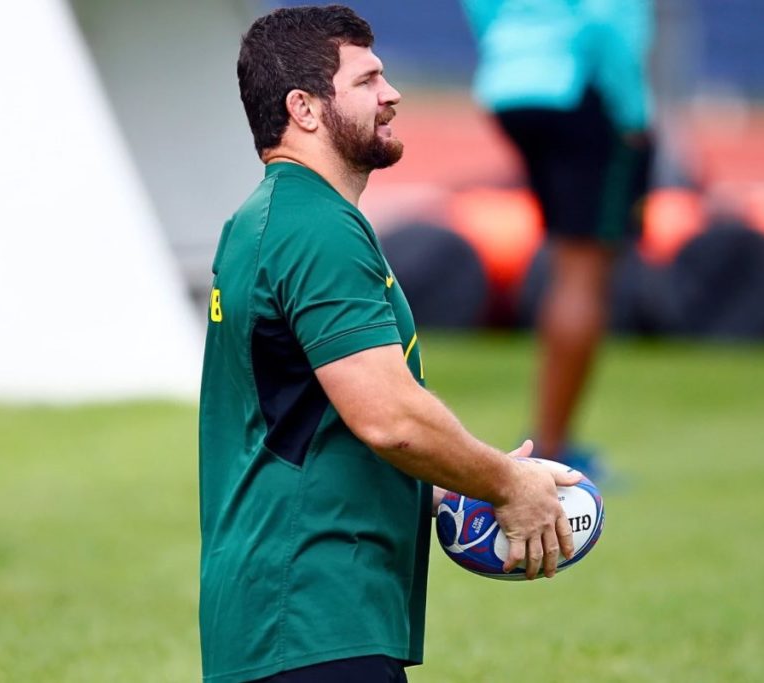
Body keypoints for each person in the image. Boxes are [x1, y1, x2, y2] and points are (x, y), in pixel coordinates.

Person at [198, 6, 582, 683]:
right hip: (314, 613)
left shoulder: (260, 219)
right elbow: (389, 418)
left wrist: (465, 485)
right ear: (305, 108)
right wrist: (507, 482)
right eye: (368, 79)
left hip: (279, 614)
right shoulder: (318, 227)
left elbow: (298, 422)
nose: (393, 93)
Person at [461, 0, 655, 478]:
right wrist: (633, 114)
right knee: (583, 268)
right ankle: (552, 448)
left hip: (511, 86)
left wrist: (510, 51)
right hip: (580, 86)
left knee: (568, 256)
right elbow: (607, 18)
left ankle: (551, 438)